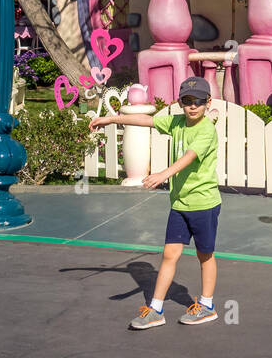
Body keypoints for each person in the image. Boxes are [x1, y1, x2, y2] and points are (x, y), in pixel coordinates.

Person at [90, 76, 222, 327]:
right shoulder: (176, 122)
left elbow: (190, 157)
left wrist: (163, 174)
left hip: (204, 204)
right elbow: (146, 120)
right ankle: (156, 310)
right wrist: (110, 119)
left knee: (205, 255)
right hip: (180, 204)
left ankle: (207, 306)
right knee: (169, 254)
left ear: (208, 102)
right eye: (186, 100)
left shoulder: (206, 130)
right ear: (180, 103)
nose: (192, 106)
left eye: (198, 101)